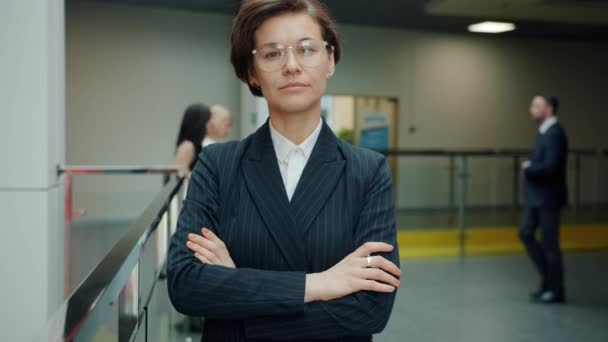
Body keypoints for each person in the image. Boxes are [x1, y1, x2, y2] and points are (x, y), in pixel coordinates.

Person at [167, 0, 401, 340]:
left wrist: (239, 303)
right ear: (252, 71)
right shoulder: (218, 165)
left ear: (330, 59)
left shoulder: (368, 171)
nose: (291, 65)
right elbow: (185, 283)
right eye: (273, 53)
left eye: (306, 49)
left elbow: (370, 309)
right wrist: (319, 283)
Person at [520, 94, 568, 304]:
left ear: (549, 109)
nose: (531, 109)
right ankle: (548, 280)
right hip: (537, 198)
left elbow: (551, 165)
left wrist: (529, 168)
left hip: (548, 198)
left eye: (536, 105)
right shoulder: (544, 132)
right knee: (526, 233)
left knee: (550, 245)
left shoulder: (555, 133)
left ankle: (555, 290)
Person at [175, 103, 212, 178]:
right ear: (199, 123)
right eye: (207, 121)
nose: (210, 125)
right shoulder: (187, 145)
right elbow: (181, 173)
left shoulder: (197, 145)